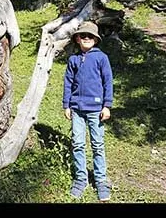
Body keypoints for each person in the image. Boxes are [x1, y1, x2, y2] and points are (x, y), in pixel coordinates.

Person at [63, 21, 114, 202]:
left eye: (90, 36)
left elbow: (108, 82)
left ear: (96, 39)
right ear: (77, 38)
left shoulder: (101, 58)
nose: (86, 39)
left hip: (96, 109)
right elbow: (68, 83)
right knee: (78, 143)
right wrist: (67, 105)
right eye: (83, 35)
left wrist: (107, 105)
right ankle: (81, 179)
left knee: (97, 144)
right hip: (77, 109)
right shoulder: (73, 60)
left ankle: (100, 180)